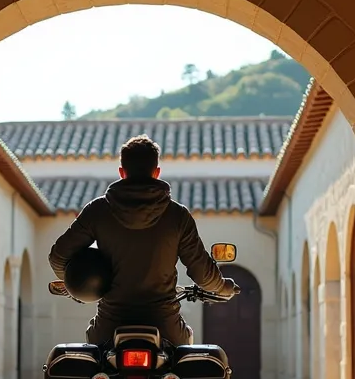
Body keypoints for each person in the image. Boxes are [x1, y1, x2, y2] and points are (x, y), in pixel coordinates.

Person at [49, 135, 239, 347]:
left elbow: (59, 257)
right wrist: (224, 287)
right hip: (165, 326)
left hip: (109, 326)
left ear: (122, 172)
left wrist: (77, 284)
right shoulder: (178, 215)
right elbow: (202, 273)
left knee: (92, 358)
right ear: (156, 172)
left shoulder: (97, 210)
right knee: (189, 356)